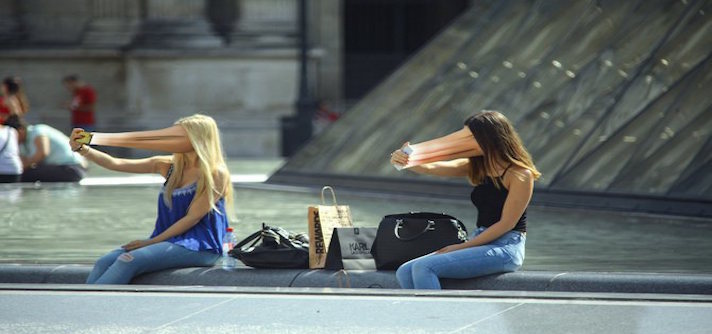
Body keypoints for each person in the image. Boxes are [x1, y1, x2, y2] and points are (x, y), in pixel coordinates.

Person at [71, 114, 234, 284]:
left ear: (198, 138)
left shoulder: (215, 173)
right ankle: (84, 304)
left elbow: (193, 217)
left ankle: (90, 303)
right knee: (103, 262)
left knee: (128, 260)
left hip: (202, 246)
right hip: (168, 240)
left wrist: (151, 242)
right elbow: (115, 163)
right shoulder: (169, 166)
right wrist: (83, 149)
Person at [390, 110, 540, 290]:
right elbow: (433, 167)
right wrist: (404, 158)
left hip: (506, 246)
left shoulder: (520, 174)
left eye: (470, 137)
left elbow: (507, 224)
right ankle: (420, 315)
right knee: (404, 271)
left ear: (490, 137)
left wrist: (460, 247)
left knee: (424, 267)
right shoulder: (478, 167)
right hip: (479, 240)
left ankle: (433, 317)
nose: (463, 142)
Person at [4, 115, 86, 182]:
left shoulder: (37, 131)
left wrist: (24, 167)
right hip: (59, 168)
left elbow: (43, 153)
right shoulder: (22, 144)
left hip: (71, 168)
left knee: (26, 175)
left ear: (21, 130)